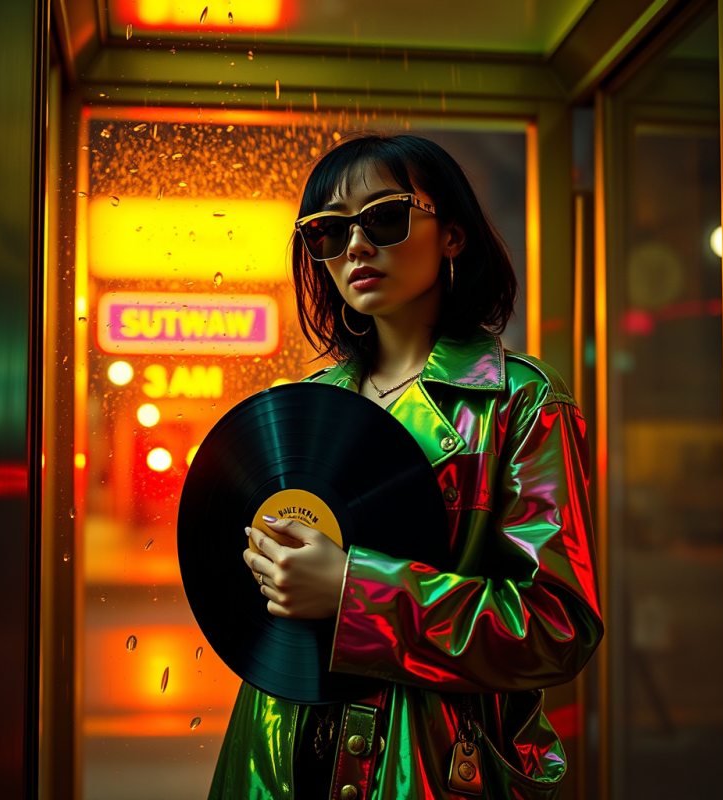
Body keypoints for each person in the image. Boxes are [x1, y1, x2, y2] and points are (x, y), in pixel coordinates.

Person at [208, 132, 603, 800]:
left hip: (429, 765)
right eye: (328, 232)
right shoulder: (309, 409)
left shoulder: (522, 401)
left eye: (384, 218)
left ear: (452, 234)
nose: (355, 246)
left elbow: (556, 627)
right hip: (274, 754)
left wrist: (352, 591)